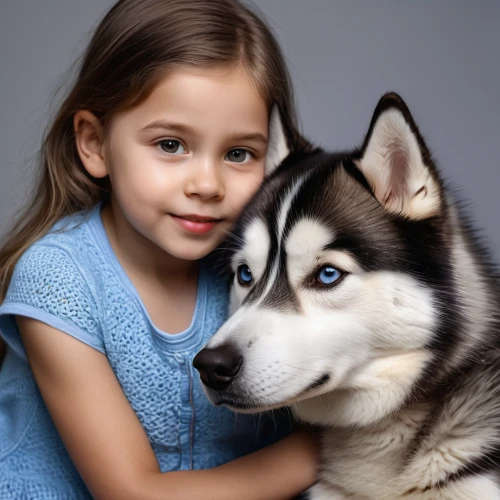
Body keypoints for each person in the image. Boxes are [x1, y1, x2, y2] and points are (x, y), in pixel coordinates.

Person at [0, 0, 318, 498]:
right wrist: (327, 450)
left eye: (239, 153)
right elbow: (133, 493)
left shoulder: (268, 270)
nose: (207, 184)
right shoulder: (58, 279)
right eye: (171, 144)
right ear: (94, 144)